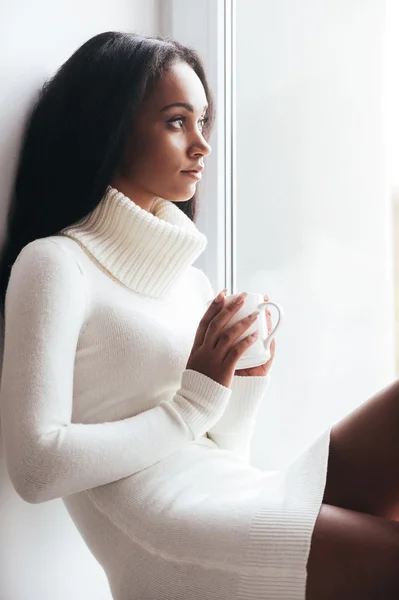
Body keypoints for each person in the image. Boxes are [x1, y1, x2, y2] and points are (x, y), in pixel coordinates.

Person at [0, 31, 398, 600]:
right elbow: (35, 469)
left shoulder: (188, 280)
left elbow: (220, 452)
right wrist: (193, 401)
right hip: (167, 530)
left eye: (203, 122)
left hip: (233, 492)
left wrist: (242, 388)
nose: (202, 145)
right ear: (111, 127)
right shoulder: (56, 264)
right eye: (176, 121)